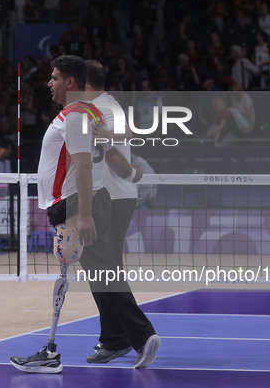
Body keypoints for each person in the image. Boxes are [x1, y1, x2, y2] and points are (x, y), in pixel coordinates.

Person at [10, 55, 159, 374]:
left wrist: (86, 214)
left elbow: (82, 165)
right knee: (100, 270)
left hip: (77, 202)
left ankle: (136, 336)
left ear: (72, 82)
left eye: (54, 77)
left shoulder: (78, 114)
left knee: (98, 270)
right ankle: (120, 337)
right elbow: (118, 144)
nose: (49, 83)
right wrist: (132, 173)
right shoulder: (88, 112)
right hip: (80, 201)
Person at [82, 59, 158, 365]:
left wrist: (130, 173)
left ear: (83, 81)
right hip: (114, 196)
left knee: (104, 268)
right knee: (100, 269)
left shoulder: (101, 108)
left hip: (111, 197)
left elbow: (117, 148)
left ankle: (141, 335)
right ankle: (114, 339)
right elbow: (125, 137)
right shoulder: (106, 105)